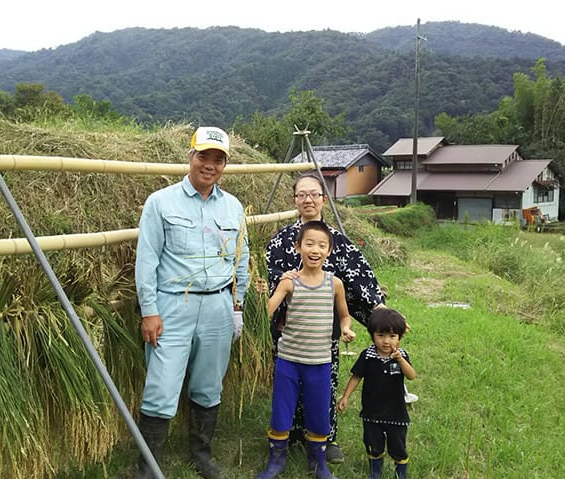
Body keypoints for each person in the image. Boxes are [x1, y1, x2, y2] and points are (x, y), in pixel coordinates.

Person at [134, 126, 250, 479]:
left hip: (218, 306)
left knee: (209, 383)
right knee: (161, 385)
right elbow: (147, 260)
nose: (210, 165)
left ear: (225, 165)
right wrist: (149, 310)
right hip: (172, 306)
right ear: (190, 156)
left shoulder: (233, 207)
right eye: (204, 156)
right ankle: (147, 466)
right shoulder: (161, 202)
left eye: (218, 159)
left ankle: (202, 454)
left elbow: (240, 261)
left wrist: (237, 308)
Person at [265, 172, 385, 463]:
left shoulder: (338, 242)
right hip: (290, 330)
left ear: (323, 198)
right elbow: (273, 283)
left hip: (322, 329)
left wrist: (379, 310)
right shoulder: (280, 241)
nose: (308, 199)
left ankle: (325, 439)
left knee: (324, 382)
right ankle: (289, 434)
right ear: (294, 200)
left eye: (314, 194)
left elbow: (358, 280)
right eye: (301, 194)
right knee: (288, 383)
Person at [257, 221, 356, 479]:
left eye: (322, 245)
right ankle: (276, 461)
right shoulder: (289, 283)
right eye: (309, 244)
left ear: (329, 250)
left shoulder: (335, 284)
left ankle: (318, 462)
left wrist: (346, 329)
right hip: (288, 359)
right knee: (282, 408)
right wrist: (263, 293)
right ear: (298, 247)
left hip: (320, 362)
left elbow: (344, 316)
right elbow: (269, 310)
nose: (315, 249)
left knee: (319, 410)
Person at [337, 307, 416, 479]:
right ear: (372, 335)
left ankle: (400, 472)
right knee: (373, 443)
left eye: (392, 336)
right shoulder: (368, 355)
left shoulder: (401, 355)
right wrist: (345, 396)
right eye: (381, 335)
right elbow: (356, 376)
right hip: (372, 411)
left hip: (396, 413)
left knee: (398, 446)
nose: (386, 341)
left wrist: (400, 360)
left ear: (400, 337)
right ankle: (375, 471)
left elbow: (411, 376)